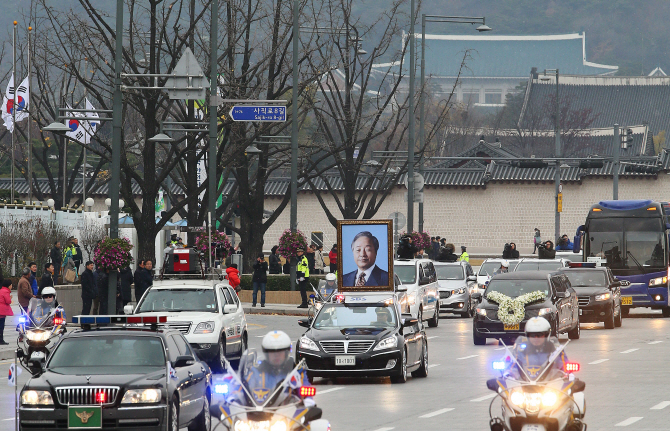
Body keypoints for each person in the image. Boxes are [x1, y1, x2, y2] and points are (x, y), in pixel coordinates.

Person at [0, 279, 13, 344]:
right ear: (8, 286)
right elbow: (8, 301)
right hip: (1, 312)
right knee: (1, 326)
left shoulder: (1, 290)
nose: (11, 286)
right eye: (11, 285)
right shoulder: (6, 292)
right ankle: (1, 340)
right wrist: (10, 298)